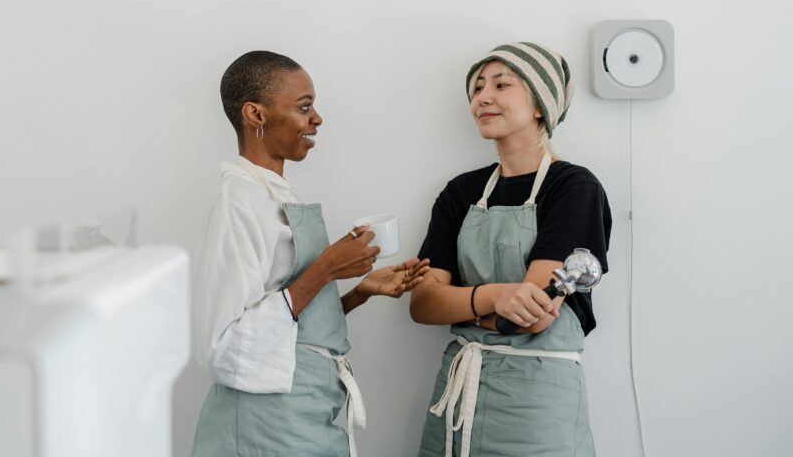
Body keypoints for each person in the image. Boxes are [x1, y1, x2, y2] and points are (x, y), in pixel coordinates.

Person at [191, 50, 430, 457]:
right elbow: (223, 346)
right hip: (264, 424)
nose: (317, 118)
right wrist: (325, 268)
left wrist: (357, 291)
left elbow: (289, 328)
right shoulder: (239, 200)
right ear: (256, 114)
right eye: (304, 107)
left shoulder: (273, 194)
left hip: (302, 411)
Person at [410, 42, 611, 457]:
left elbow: (529, 319)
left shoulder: (574, 187)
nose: (482, 97)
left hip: (537, 400)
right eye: (477, 88)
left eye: (502, 84)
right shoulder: (460, 191)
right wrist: (497, 297)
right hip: (457, 393)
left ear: (540, 105)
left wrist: (464, 304)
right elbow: (424, 304)